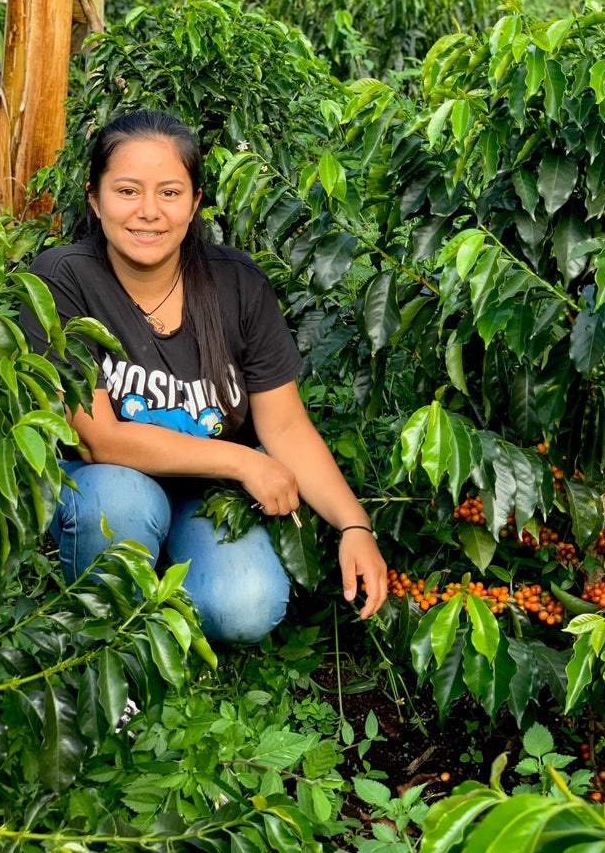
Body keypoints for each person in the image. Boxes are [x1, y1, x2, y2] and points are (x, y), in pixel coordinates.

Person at [20, 110, 387, 643]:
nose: (149, 212)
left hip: (204, 497)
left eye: (170, 192)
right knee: (122, 503)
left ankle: (170, 580)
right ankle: (107, 636)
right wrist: (242, 461)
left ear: (194, 203)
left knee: (248, 606)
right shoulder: (62, 280)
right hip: (105, 483)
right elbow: (99, 439)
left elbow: (284, 427)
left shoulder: (237, 285)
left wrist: (355, 525)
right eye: (127, 190)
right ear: (95, 198)